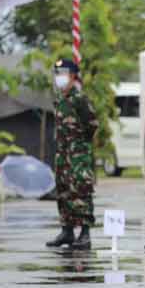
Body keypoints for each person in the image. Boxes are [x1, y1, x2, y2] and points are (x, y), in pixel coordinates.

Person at [46, 59, 98, 250]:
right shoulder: (60, 99)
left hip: (78, 156)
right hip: (63, 155)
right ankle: (67, 231)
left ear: (73, 75)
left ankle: (84, 234)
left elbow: (92, 125)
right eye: (57, 72)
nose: (59, 77)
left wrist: (80, 145)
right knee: (64, 191)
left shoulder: (79, 99)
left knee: (81, 191)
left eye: (63, 73)